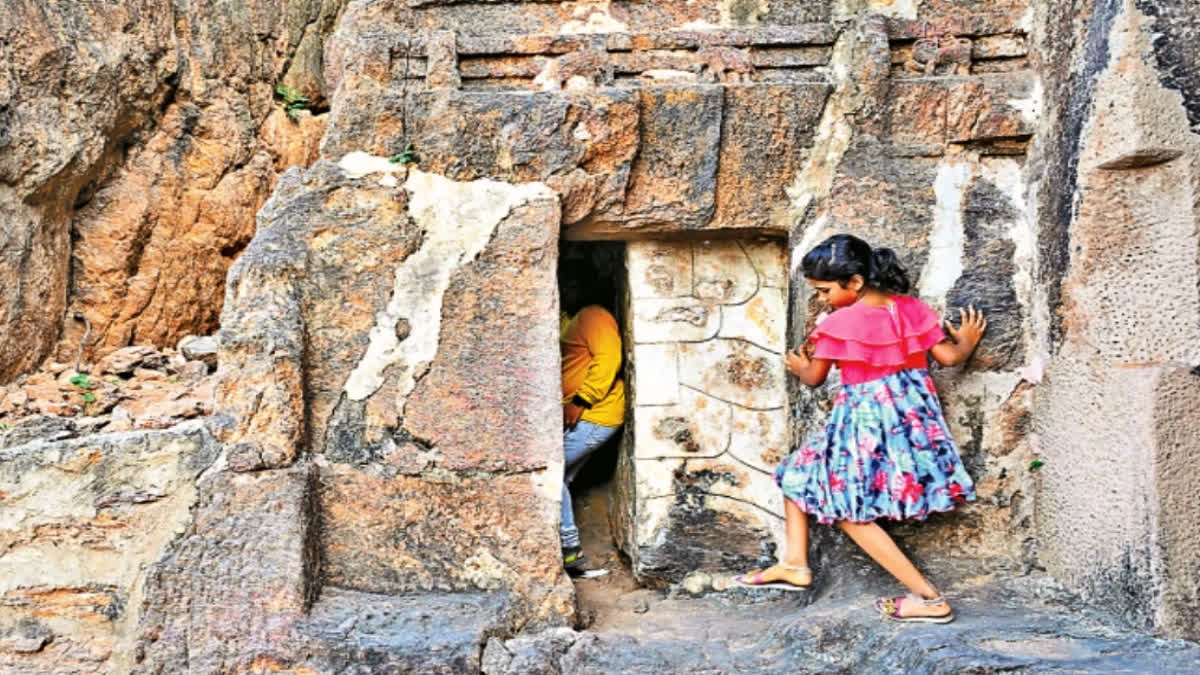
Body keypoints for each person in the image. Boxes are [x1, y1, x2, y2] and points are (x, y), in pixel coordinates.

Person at [734, 234, 986, 624]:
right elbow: (949, 357)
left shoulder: (837, 324)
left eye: (824, 290)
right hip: (911, 424)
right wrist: (966, 344)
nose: (821, 298)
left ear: (853, 282)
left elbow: (815, 377)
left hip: (864, 423)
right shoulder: (912, 309)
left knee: (849, 511)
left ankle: (929, 598)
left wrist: (799, 367)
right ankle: (795, 563)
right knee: (796, 471)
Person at [558, 280, 625, 573]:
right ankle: (568, 553)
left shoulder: (594, 315)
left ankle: (570, 551)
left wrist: (582, 400)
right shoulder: (574, 320)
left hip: (595, 414)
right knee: (558, 480)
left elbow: (609, 358)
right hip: (585, 415)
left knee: (549, 475)